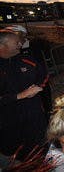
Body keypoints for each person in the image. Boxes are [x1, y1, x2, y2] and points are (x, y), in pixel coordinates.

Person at [0, 30, 48, 160]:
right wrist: (19, 96)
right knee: (18, 156)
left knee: (40, 148)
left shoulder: (27, 60)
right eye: (16, 42)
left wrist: (38, 86)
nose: (20, 44)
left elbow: (43, 76)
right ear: (2, 46)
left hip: (35, 115)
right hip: (9, 122)